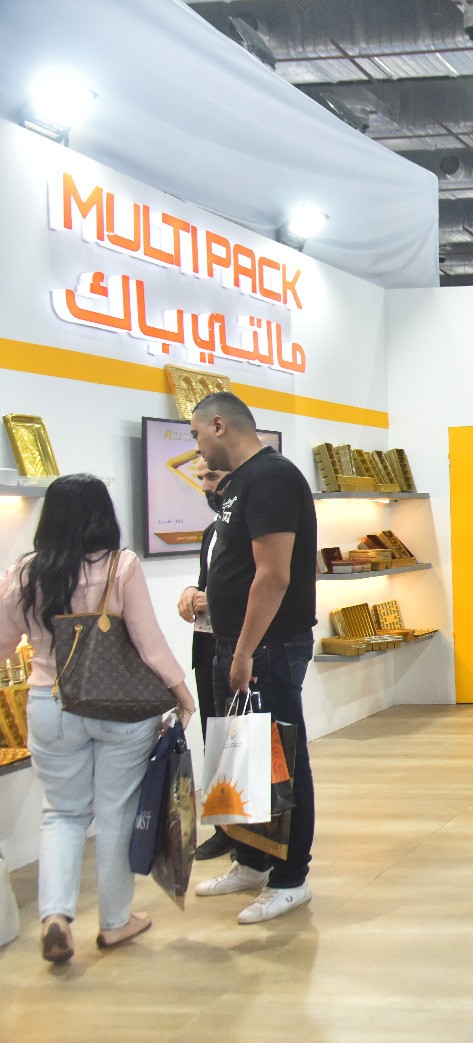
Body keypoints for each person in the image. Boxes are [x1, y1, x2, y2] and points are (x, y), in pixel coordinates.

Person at [0, 474, 196, 963]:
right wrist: (181, 692)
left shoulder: (24, 573)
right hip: (118, 708)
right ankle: (114, 922)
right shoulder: (120, 566)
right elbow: (149, 644)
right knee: (115, 814)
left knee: (61, 812)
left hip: (49, 704)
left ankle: (55, 916)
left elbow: (2, 644)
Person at [188, 392, 319, 924]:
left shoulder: (271, 478)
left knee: (282, 758)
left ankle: (291, 878)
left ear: (219, 425)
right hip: (237, 642)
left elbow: (273, 575)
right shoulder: (240, 483)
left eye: (196, 434)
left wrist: (243, 650)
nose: (196, 446)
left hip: (269, 645)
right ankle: (251, 860)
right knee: (242, 756)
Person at [176, 455, 234, 862]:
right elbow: (207, 583)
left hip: (243, 647)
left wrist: (216, 599)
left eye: (211, 476)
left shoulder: (249, 530)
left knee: (243, 738)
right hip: (208, 645)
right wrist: (190, 592)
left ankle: (254, 831)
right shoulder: (212, 531)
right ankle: (225, 827)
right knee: (214, 737)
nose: (205, 486)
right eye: (201, 478)